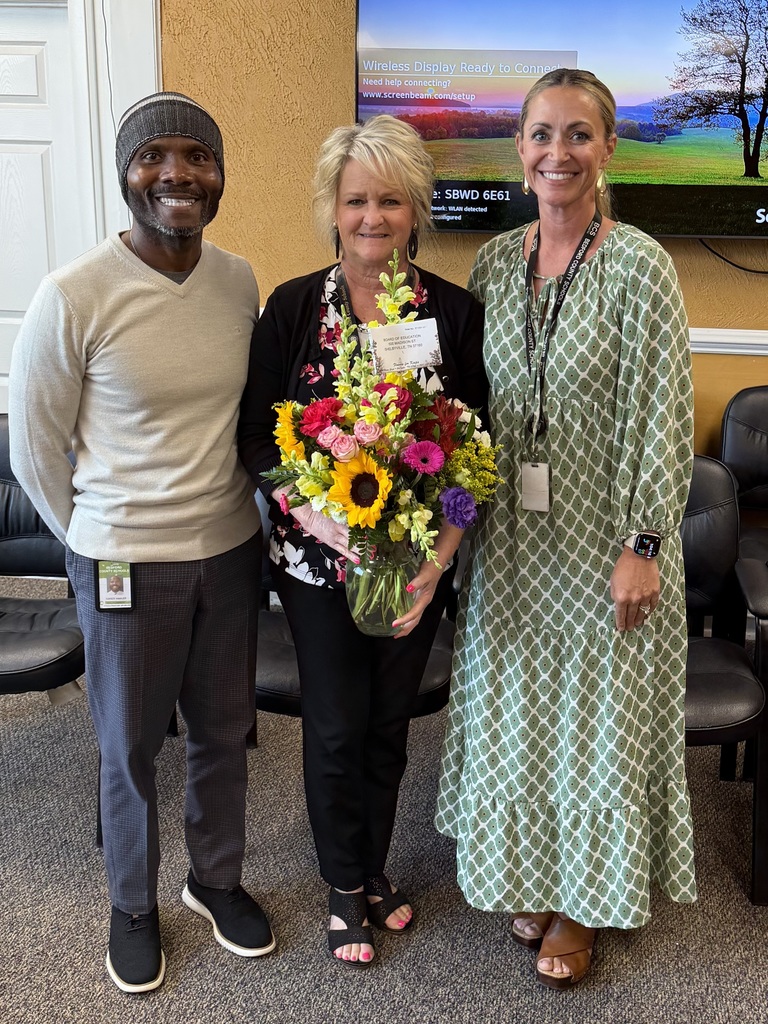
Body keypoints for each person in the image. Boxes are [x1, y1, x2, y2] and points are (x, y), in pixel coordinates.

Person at [435, 69, 696, 989]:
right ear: (519, 147)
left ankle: (584, 902)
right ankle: (536, 877)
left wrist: (646, 546)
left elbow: (661, 414)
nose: (559, 153)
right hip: (509, 550)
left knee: (594, 727)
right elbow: (470, 421)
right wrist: (447, 539)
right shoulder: (495, 263)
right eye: (542, 134)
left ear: (609, 147)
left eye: (579, 134)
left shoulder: (638, 265)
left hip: (601, 550)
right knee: (524, 721)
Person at [9, 92, 275, 994]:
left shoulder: (238, 280)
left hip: (232, 549)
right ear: (125, 172)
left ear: (219, 174)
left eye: (197, 157)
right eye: (154, 156)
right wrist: (92, 537)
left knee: (223, 732)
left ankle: (215, 881)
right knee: (127, 746)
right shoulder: (73, 293)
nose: (177, 175)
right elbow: (36, 446)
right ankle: (132, 902)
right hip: (124, 558)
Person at [238, 114, 487, 967]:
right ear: (332, 210)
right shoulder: (295, 307)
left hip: (416, 565)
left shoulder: (453, 313)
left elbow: (475, 454)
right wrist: (320, 515)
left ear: (415, 208)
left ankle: (374, 865)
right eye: (356, 201)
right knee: (337, 721)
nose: (372, 217)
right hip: (317, 562)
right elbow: (257, 442)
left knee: (388, 723)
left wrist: (438, 562)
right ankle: (344, 882)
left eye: (390, 200)